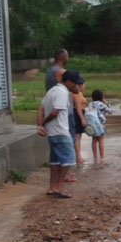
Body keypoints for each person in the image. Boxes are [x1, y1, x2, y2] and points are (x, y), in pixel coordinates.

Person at [38, 70, 82, 198]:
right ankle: (59, 187)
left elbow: (41, 108)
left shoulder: (51, 91)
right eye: (75, 84)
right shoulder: (62, 93)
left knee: (55, 162)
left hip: (52, 133)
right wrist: (44, 123)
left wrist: (40, 124)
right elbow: (54, 112)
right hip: (61, 132)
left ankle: (52, 187)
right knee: (69, 160)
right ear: (69, 82)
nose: (76, 86)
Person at [40, 48, 77, 183]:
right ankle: (62, 180)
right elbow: (77, 89)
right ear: (64, 58)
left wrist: (42, 123)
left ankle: (55, 184)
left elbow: (42, 107)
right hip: (64, 113)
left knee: (55, 154)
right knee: (68, 147)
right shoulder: (61, 74)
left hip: (54, 113)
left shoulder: (49, 72)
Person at [86, 89, 112, 164]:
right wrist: (107, 104)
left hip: (92, 125)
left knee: (94, 140)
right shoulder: (101, 104)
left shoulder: (90, 104)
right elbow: (110, 111)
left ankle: (95, 157)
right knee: (101, 140)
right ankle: (102, 157)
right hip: (100, 124)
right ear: (101, 97)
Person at [72, 78, 88, 164]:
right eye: (84, 84)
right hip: (77, 115)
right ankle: (78, 157)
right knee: (77, 136)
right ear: (80, 85)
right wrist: (82, 119)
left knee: (78, 136)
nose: (85, 86)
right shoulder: (77, 95)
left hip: (79, 114)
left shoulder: (79, 93)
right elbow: (78, 109)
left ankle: (77, 156)